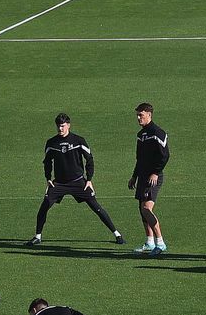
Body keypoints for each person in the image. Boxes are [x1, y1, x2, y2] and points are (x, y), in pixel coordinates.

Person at [27, 113, 124, 247]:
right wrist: (48, 178)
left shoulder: (78, 141)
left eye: (62, 126)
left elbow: (89, 159)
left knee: (96, 207)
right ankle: (38, 236)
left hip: (78, 182)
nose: (60, 129)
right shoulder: (51, 143)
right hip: (59, 183)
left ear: (68, 125)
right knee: (44, 207)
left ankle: (117, 234)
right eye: (58, 126)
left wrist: (89, 179)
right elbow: (47, 162)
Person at [129, 102, 170, 254]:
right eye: (137, 115)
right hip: (142, 177)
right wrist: (134, 176)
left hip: (153, 177)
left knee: (147, 209)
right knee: (142, 210)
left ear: (149, 115)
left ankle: (160, 243)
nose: (138, 118)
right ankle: (149, 242)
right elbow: (139, 159)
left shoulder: (157, 132)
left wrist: (155, 172)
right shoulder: (141, 135)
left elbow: (165, 155)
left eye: (141, 115)